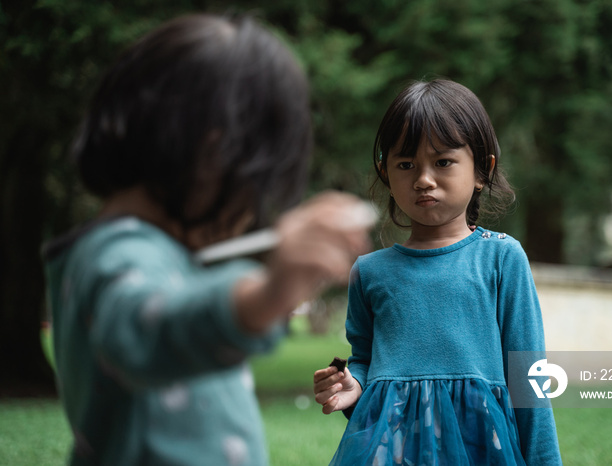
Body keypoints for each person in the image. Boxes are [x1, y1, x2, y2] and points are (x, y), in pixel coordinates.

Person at [42, 14, 372, 466]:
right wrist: (267, 293)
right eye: (256, 188)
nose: (253, 213)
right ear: (214, 157)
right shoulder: (116, 253)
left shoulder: (154, 253)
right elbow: (148, 328)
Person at [313, 79, 562, 465]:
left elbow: (530, 377)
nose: (423, 179)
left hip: (481, 447)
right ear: (386, 173)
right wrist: (353, 384)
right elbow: (365, 358)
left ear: (482, 170)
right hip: (392, 450)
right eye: (406, 164)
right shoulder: (369, 272)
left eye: (443, 162)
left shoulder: (502, 258)